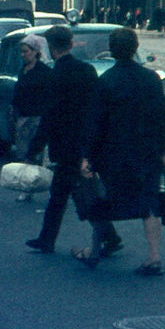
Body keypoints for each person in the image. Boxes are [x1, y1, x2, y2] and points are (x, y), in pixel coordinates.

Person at [77, 27, 165, 275]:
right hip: (147, 150)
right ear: (135, 48)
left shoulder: (106, 81)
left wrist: (88, 155)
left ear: (112, 50)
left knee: (101, 199)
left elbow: (96, 122)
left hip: (114, 154)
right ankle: (154, 255)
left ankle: (95, 249)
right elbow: (161, 118)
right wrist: (164, 150)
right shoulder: (151, 79)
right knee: (149, 202)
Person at [26, 25, 120, 256]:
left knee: (66, 195)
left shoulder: (54, 75)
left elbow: (49, 116)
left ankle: (106, 237)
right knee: (75, 193)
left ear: (50, 47)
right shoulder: (87, 70)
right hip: (86, 141)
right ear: (70, 44)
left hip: (65, 144)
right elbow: (97, 107)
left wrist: (36, 147)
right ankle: (107, 236)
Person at [11, 34, 52, 166]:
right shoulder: (22, 70)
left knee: (35, 153)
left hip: (37, 118)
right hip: (23, 117)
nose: (23, 55)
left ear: (35, 52)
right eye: (21, 52)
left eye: (26, 51)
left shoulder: (43, 71)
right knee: (22, 153)